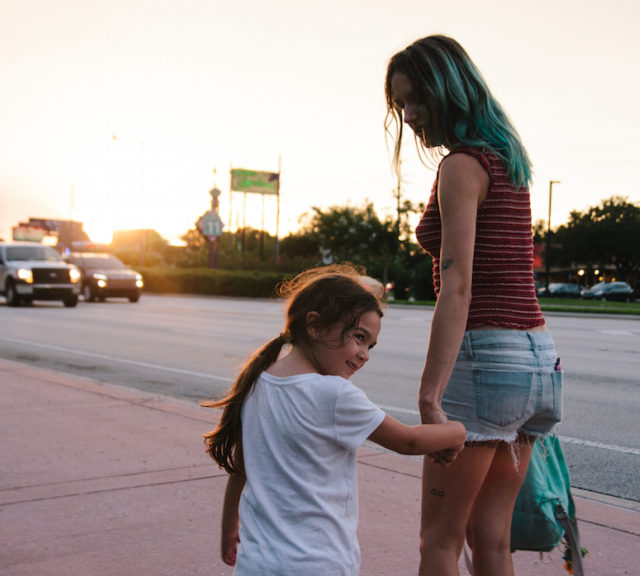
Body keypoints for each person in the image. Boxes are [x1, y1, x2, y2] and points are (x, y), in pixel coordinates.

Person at [384, 35, 563, 576]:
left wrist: (429, 395)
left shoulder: (462, 165)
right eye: (400, 104)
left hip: (487, 357)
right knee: (492, 539)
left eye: (417, 98)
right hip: (538, 362)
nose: (410, 115)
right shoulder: (510, 159)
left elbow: (457, 283)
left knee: (438, 541)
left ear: (449, 90)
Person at [203, 264, 466, 576]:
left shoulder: (257, 383)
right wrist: (456, 432)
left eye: (370, 345)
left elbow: (241, 468)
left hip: (258, 561)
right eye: (358, 337)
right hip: (318, 562)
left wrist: (229, 527)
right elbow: (407, 441)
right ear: (314, 326)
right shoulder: (333, 393)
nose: (365, 353)